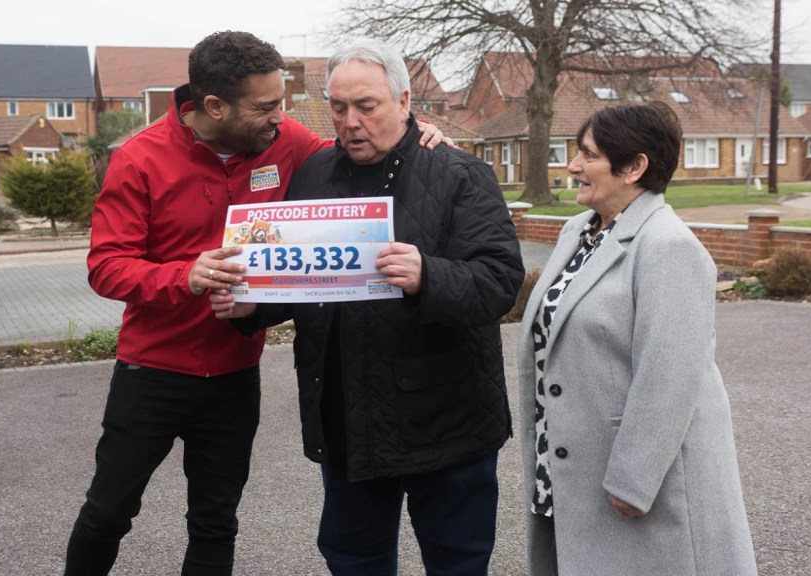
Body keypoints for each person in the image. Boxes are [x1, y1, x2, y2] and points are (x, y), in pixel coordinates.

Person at [65, 31, 447, 576]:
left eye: (283, 104)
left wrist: (418, 130)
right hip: (151, 371)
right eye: (266, 107)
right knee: (109, 512)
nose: (282, 118)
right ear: (214, 106)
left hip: (232, 374)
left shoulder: (283, 138)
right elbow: (106, 266)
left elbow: (353, 148)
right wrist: (184, 275)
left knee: (217, 522)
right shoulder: (138, 159)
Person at [212, 39, 525, 575]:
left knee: (457, 561)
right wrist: (251, 306)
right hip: (348, 419)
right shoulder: (313, 176)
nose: (350, 121)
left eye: (367, 106)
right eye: (338, 108)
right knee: (353, 559)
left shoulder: (459, 175)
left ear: (404, 102)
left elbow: (499, 283)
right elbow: (300, 276)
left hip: (447, 423)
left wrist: (429, 275)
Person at [517, 102, 757, 576]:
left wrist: (634, 479)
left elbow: (670, 375)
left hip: (638, 484)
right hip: (571, 467)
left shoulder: (669, 247)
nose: (573, 166)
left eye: (587, 155)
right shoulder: (578, 233)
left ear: (634, 167)